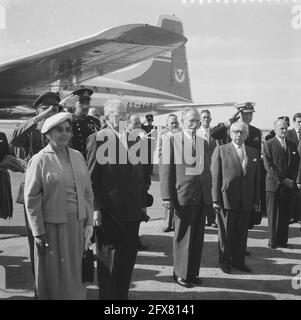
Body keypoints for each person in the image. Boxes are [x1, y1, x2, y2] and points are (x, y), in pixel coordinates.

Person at [24, 112, 94, 300]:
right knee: (55, 272)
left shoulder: (78, 156)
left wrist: (89, 223)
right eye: (59, 130)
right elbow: (31, 198)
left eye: (67, 130)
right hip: (52, 227)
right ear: (47, 134)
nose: (64, 134)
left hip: (78, 225)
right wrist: (38, 231)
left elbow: (88, 191)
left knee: (76, 271)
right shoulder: (40, 160)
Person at [86, 99, 147, 300]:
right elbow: (91, 179)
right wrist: (96, 209)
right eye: (117, 114)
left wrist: (142, 206)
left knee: (127, 259)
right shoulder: (98, 139)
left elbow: (139, 176)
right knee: (108, 261)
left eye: (124, 114)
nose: (122, 117)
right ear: (106, 117)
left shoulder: (135, 139)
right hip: (109, 212)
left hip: (131, 211)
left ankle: (121, 298)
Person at [10, 92, 71, 281]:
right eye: (45, 109)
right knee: (37, 239)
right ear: (38, 110)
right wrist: (41, 118)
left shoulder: (60, 129)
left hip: (58, 191)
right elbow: (14, 138)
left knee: (60, 239)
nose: (50, 112)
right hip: (36, 192)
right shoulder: (33, 130)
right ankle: (40, 285)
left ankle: (58, 281)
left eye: (53, 109)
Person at [160, 107, 212, 288]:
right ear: (183, 122)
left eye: (197, 121)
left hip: (200, 196)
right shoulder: (171, 140)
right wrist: (166, 197)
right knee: (182, 236)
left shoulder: (203, 142)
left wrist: (209, 195)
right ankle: (179, 273)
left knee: (197, 237)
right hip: (182, 195)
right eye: (191, 121)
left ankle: (191, 273)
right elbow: (165, 170)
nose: (195, 124)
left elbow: (206, 171)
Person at [211, 122, 260, 274]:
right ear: (230, 134)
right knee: (225, 234)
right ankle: (224, 261)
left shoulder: (253, 152)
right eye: (236, 132)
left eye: (242, 132)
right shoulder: (221, 150)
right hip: (227, 199)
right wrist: (215, 199)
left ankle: (238, 261)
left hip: (246, 200)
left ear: (247, 135)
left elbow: (256, 178)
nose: (239, 135)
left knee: (241, 233)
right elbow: (215, 177)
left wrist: (256, 200)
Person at [263, 119, 300, 249]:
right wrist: (284, 180)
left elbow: (296, 163)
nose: (284, 131)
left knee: (285, 214)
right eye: (281, 129)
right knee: (273, 215)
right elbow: (269, 166)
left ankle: (282, 240)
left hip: (288, 186)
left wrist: (292, 180)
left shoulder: (291, 144)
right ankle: (272, 241)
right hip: (274, 185)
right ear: (275, 130)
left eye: (285, 128)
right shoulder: (268, 144)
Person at [158, 114, 181, 232]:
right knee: (168, 195)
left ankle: (176, 223)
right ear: (167, 124)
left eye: (176, 122)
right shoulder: (163, 135)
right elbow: (159, 150)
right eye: (172, 123)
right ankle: (167, 223)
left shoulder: (181, 135)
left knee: (177, 196)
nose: (174, 125)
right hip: (166, 166)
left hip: (178, 168)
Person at [197, 109, 218, 228]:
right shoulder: (196, 133)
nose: (206, 119)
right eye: (204, 117)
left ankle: (211, 219)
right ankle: (200, 218)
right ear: (200, 119)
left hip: (212, 168)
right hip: (199, 168)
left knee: (210, 194)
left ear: (210, 119)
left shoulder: (215, 133)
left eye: (208, 117)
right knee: (200, 194)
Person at [0, 132, 24, 219]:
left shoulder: (2, 135)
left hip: (2, 173)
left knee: (1, 201)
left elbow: (7, 152)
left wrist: (10, 162)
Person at [71, 88, 99, 159]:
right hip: (76, 159)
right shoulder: (70, 120)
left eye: (87, 103)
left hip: (92, 159)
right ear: (74, 104)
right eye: (81, 103)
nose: (85, 106)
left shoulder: (95, 121)